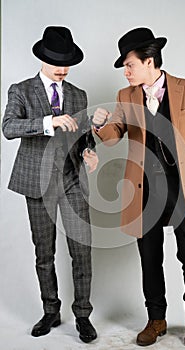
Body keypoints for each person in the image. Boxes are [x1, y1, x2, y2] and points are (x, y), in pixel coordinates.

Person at [92, 27, 185, 347]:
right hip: (144, 189)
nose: (126, 71)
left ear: (149, 61)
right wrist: (99, 124)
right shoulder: (126, 96)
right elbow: (114, 135)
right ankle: (157, 319)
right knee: (149, 257)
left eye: (129, 65)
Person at [2, 26, 98, 344]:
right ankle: (51, 311)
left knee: (81, 251)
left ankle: (82, 315)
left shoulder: (78, 95)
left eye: (67, 61)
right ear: (43, 57)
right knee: (44, 253)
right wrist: (48, 122)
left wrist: (89, 152)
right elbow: (9, 127)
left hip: (72, 181)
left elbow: (84, 136)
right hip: (37, 183)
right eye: (56, 60)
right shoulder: (21, 90)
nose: (61, 68)